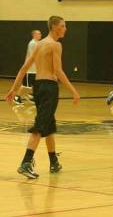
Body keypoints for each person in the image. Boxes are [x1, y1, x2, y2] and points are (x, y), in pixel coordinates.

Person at [5, 16, 80, 179]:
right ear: (54, 27)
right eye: (63, 26)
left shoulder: (39, 44)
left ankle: (53, 161)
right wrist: (73, 91)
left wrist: (13, 89)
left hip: (37, 87)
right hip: (49, 88)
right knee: (40, 125)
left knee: (49, 124)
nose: (65, 29)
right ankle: (26, 162)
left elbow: (23, 68)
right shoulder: (55, 45)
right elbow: (58, 71)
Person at [13, 30, 42, 105]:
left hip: (35, 69)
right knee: (26, 85)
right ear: (34, 35)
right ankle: (16, 97)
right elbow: (33, 56)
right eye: (39, 34)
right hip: (30, 69)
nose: (40, 35)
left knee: (36, 84)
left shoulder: (37, 43)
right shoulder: (32, 43)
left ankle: (32, 96)